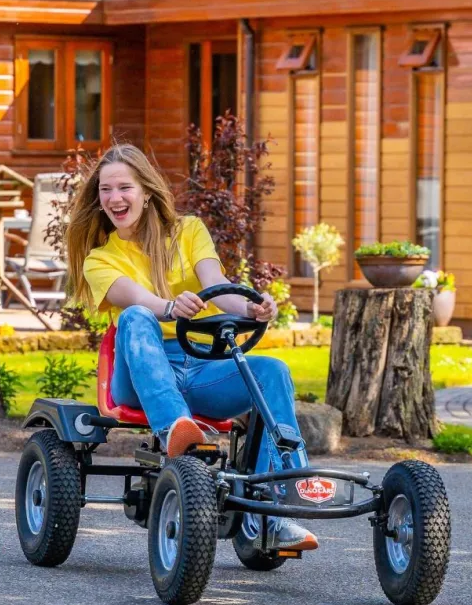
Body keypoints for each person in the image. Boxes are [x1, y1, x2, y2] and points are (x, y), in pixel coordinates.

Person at [64, 143, 318, 554]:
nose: (114, 198)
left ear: (146, 191)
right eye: (105, 190)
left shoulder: (188, 231)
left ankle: (280, 504)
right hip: (139, 374)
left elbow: (216, 285)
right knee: (135, 317)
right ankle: (174, 429)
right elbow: (134, 297)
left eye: (124, 187)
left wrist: (252, 307)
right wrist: (169, 306)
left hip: (198, 367)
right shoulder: (100, 258)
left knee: (272, 372)